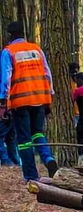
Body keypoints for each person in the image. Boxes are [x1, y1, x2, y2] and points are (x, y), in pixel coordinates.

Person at [0, 21, 57, 180]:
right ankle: (48, 158)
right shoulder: (36, 49)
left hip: (20, 102)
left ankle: (31, 176)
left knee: (24, 140)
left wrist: (3, 103)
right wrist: (49, 96)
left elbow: (6, 79)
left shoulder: (8, 52)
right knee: (38, 133)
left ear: (9, 35)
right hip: (40, 98)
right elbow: (47, 73)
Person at [69, 62, 80, 127]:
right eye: (73, 72)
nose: (75, 74)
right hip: (72, 113)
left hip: (80, 112)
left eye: (76, 72)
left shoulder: (80, 81)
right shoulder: (68, 83)